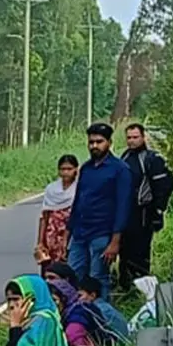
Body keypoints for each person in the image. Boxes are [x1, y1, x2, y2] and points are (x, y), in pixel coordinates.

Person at [67, 123, 132, 301]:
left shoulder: (120, 170)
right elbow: (78, 201)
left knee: (98, 279)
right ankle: (76, 319)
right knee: (73, 275)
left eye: (99, 142)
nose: (94, 146)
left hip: (102, 235)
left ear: (109, 143)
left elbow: (123, 206)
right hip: (80, 234)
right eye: (91, 142)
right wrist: (68, 233)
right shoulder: (86, 168)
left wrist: (115, 242)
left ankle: (102, 320)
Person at [119, 123, 173, 290]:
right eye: (129, 137)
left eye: (135, 137)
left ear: (143, 137)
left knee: (141, 251)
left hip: (144, 212)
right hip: (126, 213)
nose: (132, 141)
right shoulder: (125, 157)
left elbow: (165, 185)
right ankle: (126, 286)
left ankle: (142, 288)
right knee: (124, 251)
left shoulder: (152, 159)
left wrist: (158, 211)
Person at [0, 275, 73, 346]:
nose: (11, 305)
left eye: (16, 299)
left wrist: (15, 326)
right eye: (9, 300)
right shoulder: (29, 320)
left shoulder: (44, 321)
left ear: (31, 299)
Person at [33, 156, 78, 270]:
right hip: (51, 236)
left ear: (76, 170)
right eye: (62, 169)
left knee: (67, 268)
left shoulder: (79, 189)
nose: (65, 172)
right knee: (48, 268)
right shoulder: (51, 189)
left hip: (70, 236)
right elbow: (44, 216)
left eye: (69, 169)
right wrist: (40, 242)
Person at [46, 279, 102, 346]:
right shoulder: (65, 313)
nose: (50, 305)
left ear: (64, 298)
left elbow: (74, 334)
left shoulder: (79, 310)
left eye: (54, 300)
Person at [76, 277, 130, 345]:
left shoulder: (99, 310)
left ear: (92, 295)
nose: (78, 299)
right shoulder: (105, 306)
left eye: (80, 295)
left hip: (121, 345)